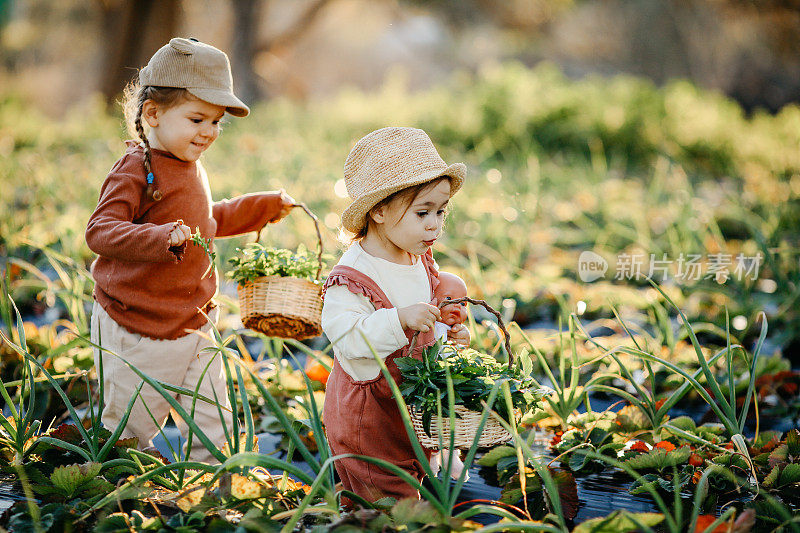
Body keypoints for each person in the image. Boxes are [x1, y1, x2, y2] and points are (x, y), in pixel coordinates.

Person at [85, 38, 294, 463]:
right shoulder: (136, 169)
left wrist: (264, 207)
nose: (209, 132)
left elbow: (206, 223)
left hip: (195, 320)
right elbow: (100, 232)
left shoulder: (189, 164)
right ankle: (114, 486)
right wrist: (161, 238)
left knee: (213, 417)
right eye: (198, 118)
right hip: (140, 324)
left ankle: (216, 483)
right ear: (153, 113)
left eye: (217, 122)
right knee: (130, 424)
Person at [321, 126, 468, 503]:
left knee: (410, 481)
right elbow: (347, 339)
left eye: (440, 211)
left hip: (407, 408)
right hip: (368, 420)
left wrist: (448, 338)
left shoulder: (416, 256)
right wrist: (399, 319)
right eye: (423, 212)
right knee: (387, 501)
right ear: (380, 211)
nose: (434, 223)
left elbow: (425, 319)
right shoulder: (353, 275)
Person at [432, 271, 469, 342]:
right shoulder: (426, 326)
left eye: (462, 304)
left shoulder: (456, 331)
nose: (458, 305)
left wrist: (462, 339)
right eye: (449, 299)